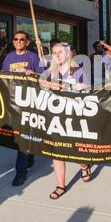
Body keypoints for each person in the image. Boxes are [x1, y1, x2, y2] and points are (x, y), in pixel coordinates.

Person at [0, 31, 43, 186]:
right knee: (21, 134)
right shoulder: (9, 57)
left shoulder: (33, 57)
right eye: (16, 39)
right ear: (13, 42)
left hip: (30, 100)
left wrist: (34, 74)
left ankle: (20, 172)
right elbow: (3, 76)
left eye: (22, 39)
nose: (19, 41)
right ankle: (30, 153)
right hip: (14, 101)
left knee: (23, 135)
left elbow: (44, 77)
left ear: (27, 42)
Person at [42, 42, 92, 199]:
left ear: (68, 54)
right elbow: (40, 84)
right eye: (54, 52)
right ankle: (60, 186)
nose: (56, 55)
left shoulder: (77, 70)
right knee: (57, 152)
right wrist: (47, 83)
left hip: (74, 116)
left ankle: (84, 166)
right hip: (56, 117)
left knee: (75, 151)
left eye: (60, 52)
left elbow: (87, 90)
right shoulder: (50, 71)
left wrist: (71, 86)